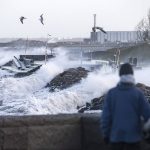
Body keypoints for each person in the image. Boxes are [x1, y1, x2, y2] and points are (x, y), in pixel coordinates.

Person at [101, 63, 150, 150]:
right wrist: (147, 133)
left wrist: (106, 135)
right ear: (132, 75)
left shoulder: (112, 93)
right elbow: (148, 115)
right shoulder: (138, 94)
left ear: (120, 75)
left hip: (116, 138)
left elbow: (105, 118)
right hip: (134, 139)